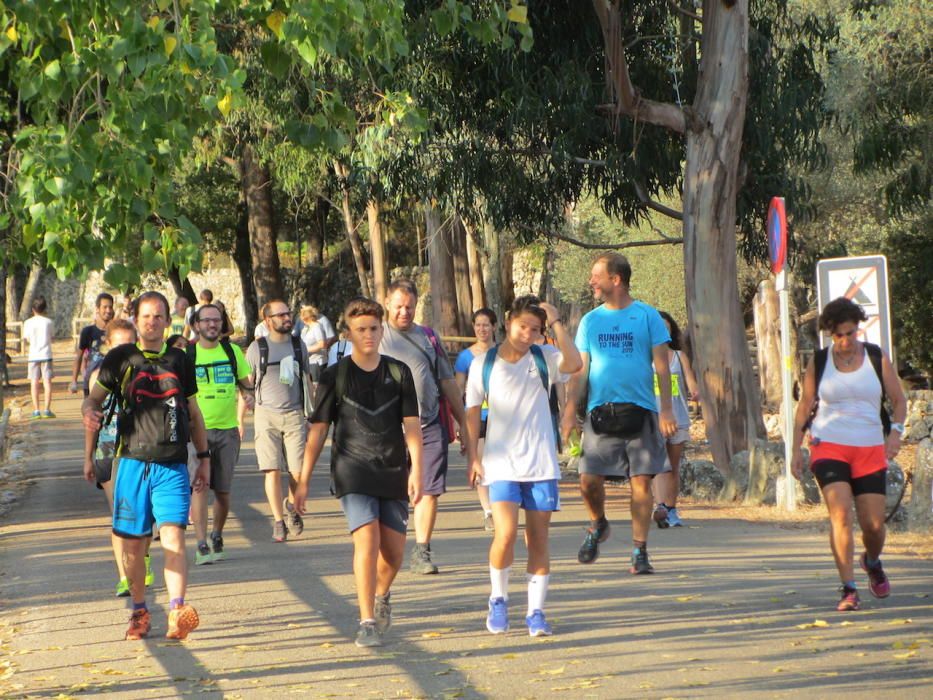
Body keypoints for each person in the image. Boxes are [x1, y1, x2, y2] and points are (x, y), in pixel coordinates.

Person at [82, 291, 211, 640]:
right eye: (146, 316)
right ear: (136, 319)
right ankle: (139, 611)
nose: (152, 322)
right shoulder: (120, 358)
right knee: (135, 546)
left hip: (172, 464)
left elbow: (194, 413)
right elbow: (92, 399)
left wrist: (203, 457)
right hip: (132, 463)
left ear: (169, 321)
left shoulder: (180, 360)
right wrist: (89, 413)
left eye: (158, 316)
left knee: (173, 536)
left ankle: (176, 611)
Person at [295, 297, 423, 647]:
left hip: (393, 468)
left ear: (382, 330)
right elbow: (318, 430)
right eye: (360, 329)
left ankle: (381, 595)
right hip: (352, 469)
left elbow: (411, 425)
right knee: (366, 539)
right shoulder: (335, 375)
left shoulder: (399, 372)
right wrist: (303, 480)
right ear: (348, 334)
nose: (368, 335)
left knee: (394, 554)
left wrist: (418, 471)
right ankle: (366, 619)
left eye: (373, 328)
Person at [465, 296, 581, 637]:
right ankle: (498, 599)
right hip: (500, 465)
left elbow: (574, 364)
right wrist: (474, 455)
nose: (528, 334)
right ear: (508, 321)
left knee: (538, 539)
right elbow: (472, 412)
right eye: (522, 327)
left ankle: (535, 611)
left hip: (541, 465)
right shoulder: (484, 363)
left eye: (535, 329)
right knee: (505, 534)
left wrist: (557, 323)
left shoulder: (544, 357)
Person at [560, 252, 677, 574]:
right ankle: (598, 523)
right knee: (588, 481)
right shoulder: (590, 321)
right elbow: (580, 371)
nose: (591, 281)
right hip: (601, 414)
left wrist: (666, 409)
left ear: (616, 280)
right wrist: (570, 411)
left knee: (641, 485)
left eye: (596, 275)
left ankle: (640, 551)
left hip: (641, 414)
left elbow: (663, 367)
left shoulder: (647, 316)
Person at [791, 297, 906, 612]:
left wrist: (894, 434)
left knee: (873, 526)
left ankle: (871, 561)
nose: (845, 341)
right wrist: (796, 448)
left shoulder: (875, 356)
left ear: (858, 329)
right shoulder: (820, 360)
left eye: (850, 333)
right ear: (829, 333)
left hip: (870, 447)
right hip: (829, 445)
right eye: (838, 335)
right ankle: (849, 588)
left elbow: (898, 401)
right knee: (840, 515)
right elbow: (805, 406)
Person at [379, 278, 465, 575]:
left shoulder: (429, 337)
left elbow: (447, 382)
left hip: (428, 424)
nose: (404, 312)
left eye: (410, 307)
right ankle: (388, 546)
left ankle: (422, 551)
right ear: (387, 303)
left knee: (428, 490)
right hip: (387, 429)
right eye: (399, 306)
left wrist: (464, 424)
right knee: (391, 491)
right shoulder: (374, 336)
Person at [82, 319, 154, 597]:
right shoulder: (99, 375)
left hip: (141, 447)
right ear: (108, 345)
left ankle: (142, 559)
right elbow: (91, 420)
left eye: (129, 343)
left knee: (143, 512)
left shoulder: (148, 371)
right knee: (120, 514)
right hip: (109, 449)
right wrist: (87, 456)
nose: (124, 349)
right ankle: (125, 575)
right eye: (118, 344)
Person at [187, 304, 253, 565]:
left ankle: (217, 533)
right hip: (197, 433)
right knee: (199, 486)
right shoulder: (188, 355)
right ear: (197, 325)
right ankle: (201, 543)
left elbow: (247, 386)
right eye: (207, 321)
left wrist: (248, 397)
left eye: (217, 320)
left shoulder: (232, 351)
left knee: (223, 492)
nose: (212, 325)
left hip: (227, 431)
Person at [245, 300, 312, 542]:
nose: (287, 317)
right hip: (266, 415)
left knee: (297, 471)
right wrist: (244, 411)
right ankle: (278, 520)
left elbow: (306, 379)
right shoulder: (257, 348)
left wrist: (310, 414)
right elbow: (247, 382)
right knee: (272, 470)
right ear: (267, 320)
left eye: (288, 313)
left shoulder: (298, 345)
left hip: (294, 413)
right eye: (280, 314)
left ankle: (291, 506)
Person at [650, 311, 699, 528]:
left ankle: (671, 508)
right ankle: (659, 506)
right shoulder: (645, 357)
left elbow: (691, 381)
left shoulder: (680, 356)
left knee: (673, 466)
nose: (663, 329)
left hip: (678, 416)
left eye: (667, 326)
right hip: (653, 417)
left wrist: (696, 392)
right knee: (658, 465)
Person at [454, 308, 499, 531]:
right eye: (478, 325)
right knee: (480, 462)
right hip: (476, 416)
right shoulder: (465, 357)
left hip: (501, 416)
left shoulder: (503, 353)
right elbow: (458, 388)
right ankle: (488, 511)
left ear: (494, 327)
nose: (482, 329)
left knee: (499, 463)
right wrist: (457, 421)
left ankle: (502, 505)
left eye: (486, 325)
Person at [70, 292, 115, 396]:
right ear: (97, 309)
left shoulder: (116, 331)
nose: (108, 310)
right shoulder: (88, 332)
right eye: (105, 307)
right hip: (91, 382)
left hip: (112, 382)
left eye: (110, 307)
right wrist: (74, 381)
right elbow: (79, 357)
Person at [23, 296, 56, 419]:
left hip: (33, 355)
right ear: (45, 308)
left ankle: (36, 410)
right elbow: (52, 337)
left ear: (33, 309)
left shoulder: (28, 323)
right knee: (47, 382)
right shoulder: (48, 322)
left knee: (34, 382)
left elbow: (26, 339)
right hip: (46, 354)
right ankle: (47, 409)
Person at [299, 305, 328, 388]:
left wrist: (306, 350)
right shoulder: (306, 328)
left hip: (317, 363)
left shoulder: (317, 327)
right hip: (309, 362)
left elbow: (322, 344)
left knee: (317, 387)